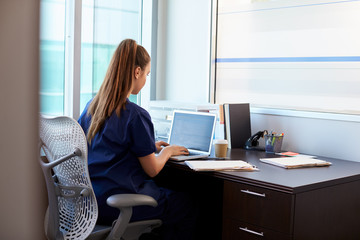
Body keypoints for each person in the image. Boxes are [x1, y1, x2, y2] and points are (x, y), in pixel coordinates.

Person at [78, 39, 197, 240]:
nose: (145, 80)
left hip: (92, 203)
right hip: (121, 204)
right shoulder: (136, 115)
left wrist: (150, 148)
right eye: (147, 74)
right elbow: (152, 169)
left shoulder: (92, 107)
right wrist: (167, 152)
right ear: (137, 72)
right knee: (187, 203)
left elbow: (107, 148)